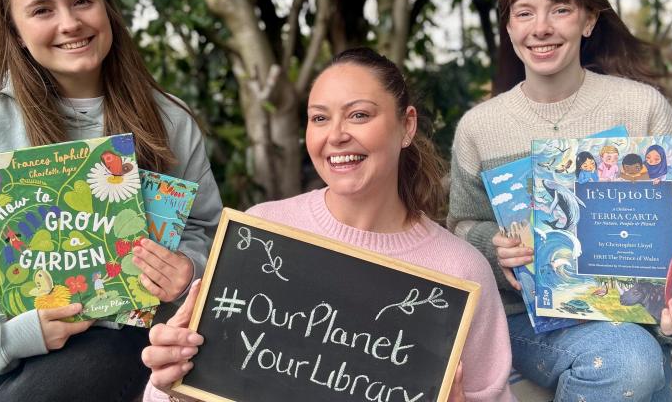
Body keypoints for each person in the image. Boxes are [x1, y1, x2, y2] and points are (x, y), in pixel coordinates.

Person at [141, 47, 515, 402]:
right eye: (320, 118)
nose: (336, 135)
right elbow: (183, 387)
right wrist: (170, 380)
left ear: (407, 126)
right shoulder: (258, 236)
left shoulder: (460, 271)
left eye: (359, 115)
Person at [0, 0, 222, 402]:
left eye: (81, 1)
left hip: (123, 343)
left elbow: (207, 235)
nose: (70, 23)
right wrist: (7, 336)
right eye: (42, 10)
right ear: (13, 30)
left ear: (107, 9)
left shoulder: (169, 121)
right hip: (3, 355)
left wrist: (186, 268)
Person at [447, 0, 672, 402]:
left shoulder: (641, 107)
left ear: (589, 21)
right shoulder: (479, 128)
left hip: (635, 318)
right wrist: (498, 248)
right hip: (527, 323)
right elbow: (460, 227)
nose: (541, 27)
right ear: (509, 27)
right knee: (631, 360)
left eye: (561, 9)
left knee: (637, 360)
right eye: (524, 12)